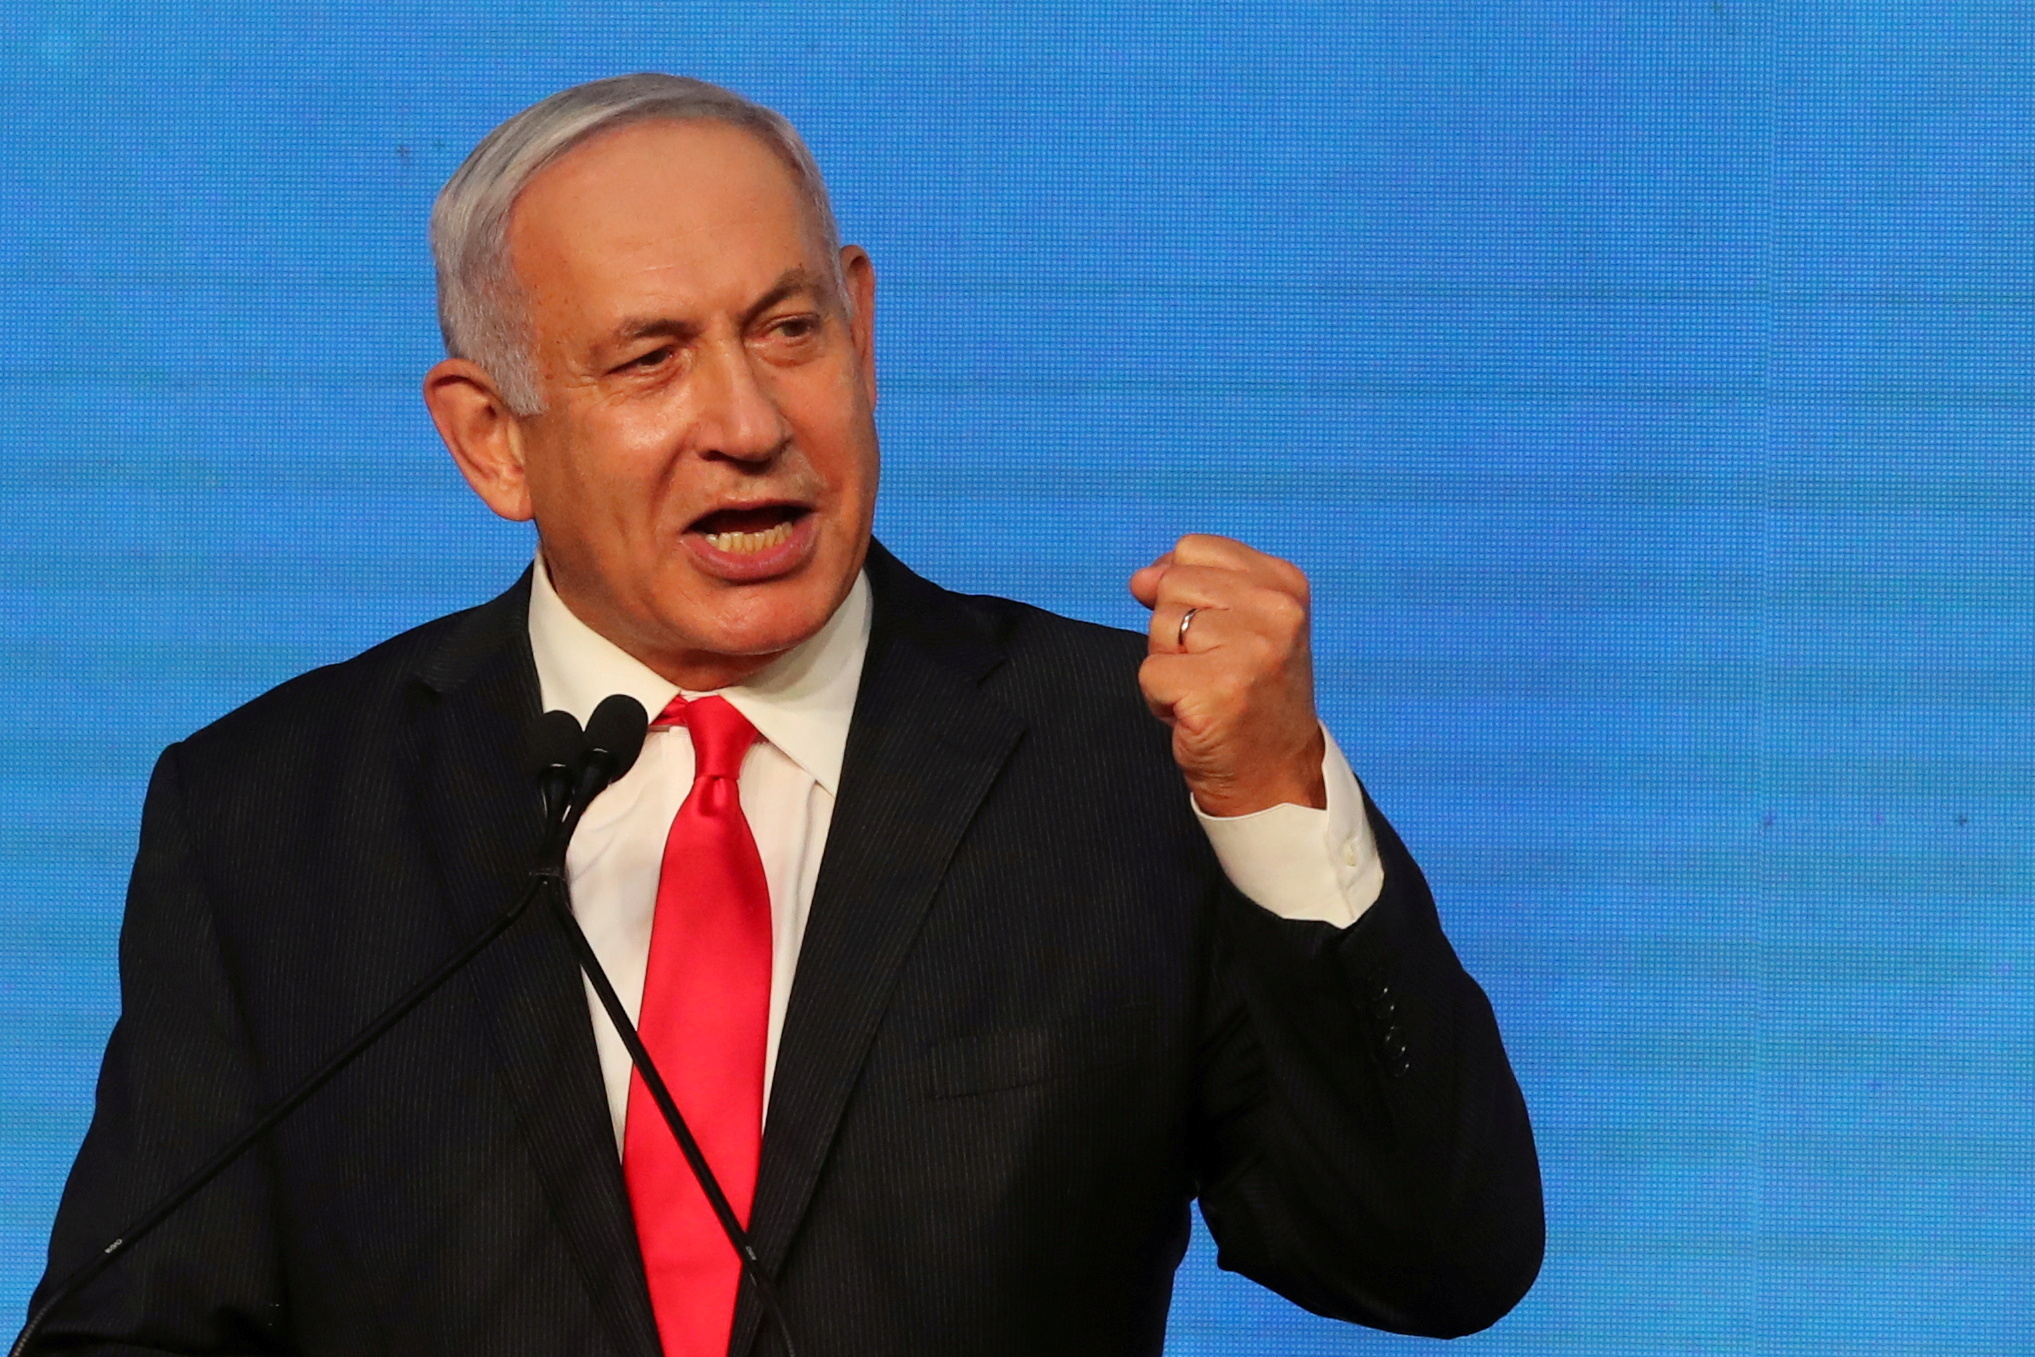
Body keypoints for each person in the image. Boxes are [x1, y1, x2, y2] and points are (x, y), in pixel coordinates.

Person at [31, 74, 1542, 1356]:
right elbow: (139, 1319)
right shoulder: (278, 816)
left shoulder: (1127, 763)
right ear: (492, 439)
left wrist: (1274, 795)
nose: (748, 423)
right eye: (650, 359)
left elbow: (1432, 1258)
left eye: (787, 329)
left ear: (862, 325)